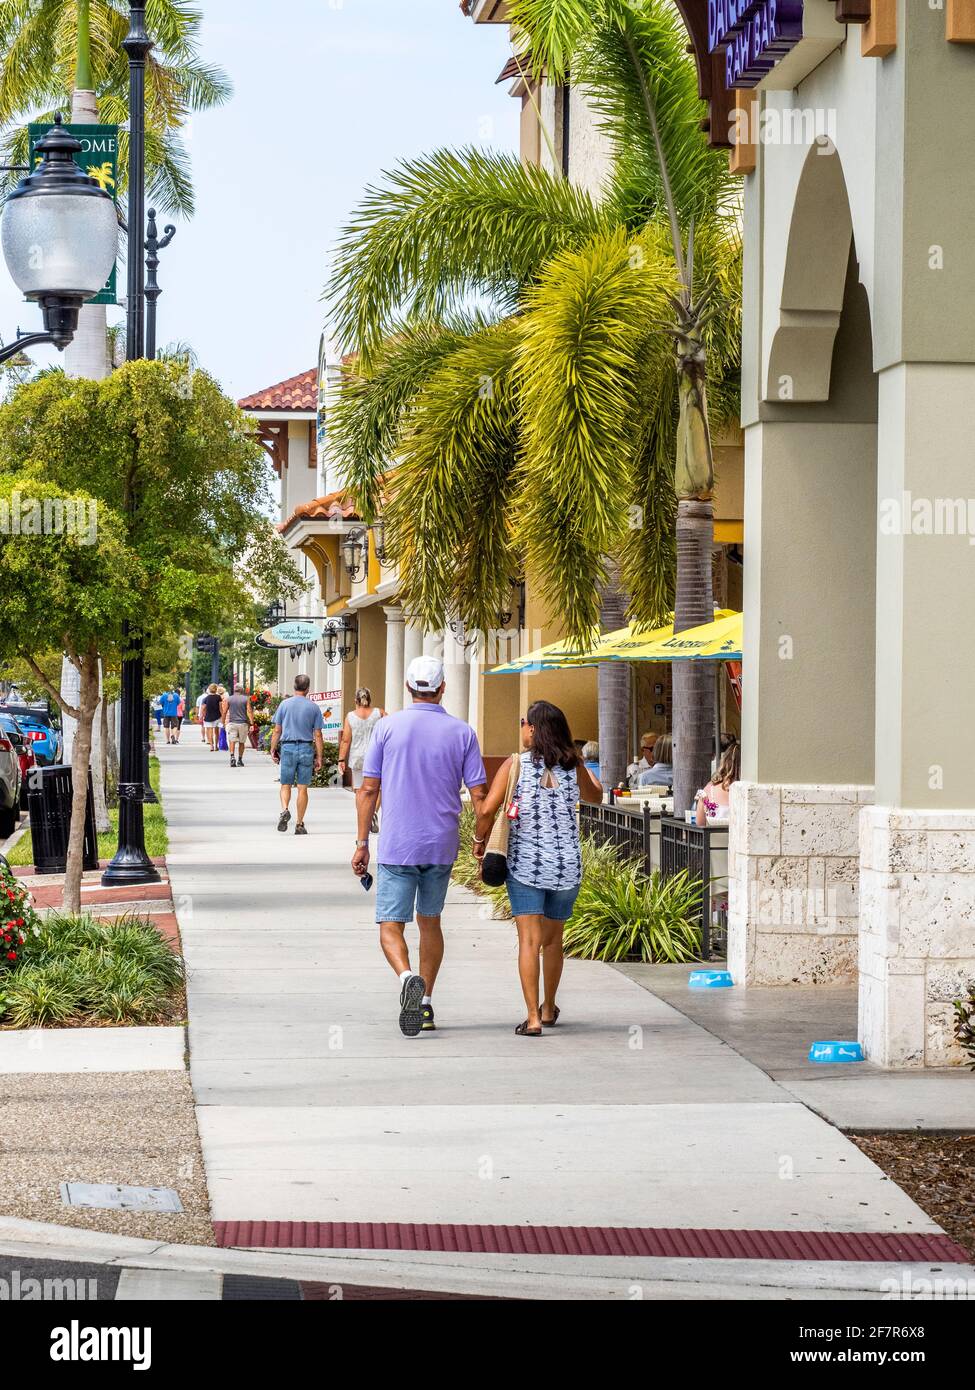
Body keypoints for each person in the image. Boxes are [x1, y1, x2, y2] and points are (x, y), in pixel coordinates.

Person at [352, 655, 487, 1038]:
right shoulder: (462, 732)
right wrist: (482, 842)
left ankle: (407, 977)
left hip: (398, 844)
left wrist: (362, 843)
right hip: (440, 843)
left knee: (390, 925)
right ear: (442, 688)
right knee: (430, 922)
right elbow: (480, 795)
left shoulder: (386, 728)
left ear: (409, 688)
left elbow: (368, 788)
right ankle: (424, 1002)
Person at [475, 701, 602, 1037]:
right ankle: (549, 1007)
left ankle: (532, 1018)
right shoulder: (573, 766)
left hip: (526, 867)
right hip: (565, 866)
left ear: (532, 728)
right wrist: (578, 765)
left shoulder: (515, 765)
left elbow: (487, 810)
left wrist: (478, 841)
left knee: (529, 942)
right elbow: (597, 797)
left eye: (523, 723)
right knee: (554, 941)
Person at [269, 674, 324, 835]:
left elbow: (277, 730)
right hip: (306, 748)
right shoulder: (313, 707)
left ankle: (285, 809)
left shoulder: (284, 705)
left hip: (288, 748)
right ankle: (299, 824)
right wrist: (319, 756)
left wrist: (273, 749)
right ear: (307, 689)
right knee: (302, 788)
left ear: (294, 687)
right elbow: (318, 734)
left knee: (285, 784)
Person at [338, 688, 386, 788]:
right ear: (370, 699)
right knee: (377, 788)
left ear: (356, 700)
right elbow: (390, 731)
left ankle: (360, 804)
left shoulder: (350, 716)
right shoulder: (380, 713)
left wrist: (341, 760)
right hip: (376, 756)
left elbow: (345, 740)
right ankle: (374, 805)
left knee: (358, 788)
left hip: (357, 758)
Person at [696, 736, 740, 825]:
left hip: (713, 839)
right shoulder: (747, 793)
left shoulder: (708, 791)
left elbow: (700, 825)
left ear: (725, 762)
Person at [222, 683, 254, 768]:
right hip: (243, 723)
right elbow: (249, 711)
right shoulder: (246, 699)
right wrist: (252, 723)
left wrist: (223, 722)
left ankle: (232, 757)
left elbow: (224, 711)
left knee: (232, 740)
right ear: (241, 690)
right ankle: (240, 760)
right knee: (242, 742)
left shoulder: (229, 699)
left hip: (232, 723)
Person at [201, 684, 223, 752]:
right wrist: (222, 717)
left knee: (210, 732)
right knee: (216, 732)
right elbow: (220, 708)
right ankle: (216, 746)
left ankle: (211, 746)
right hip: (217, 716)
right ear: (216, 689)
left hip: (208, 717)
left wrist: (203, 715)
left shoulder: (206, 698)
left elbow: (203, 708)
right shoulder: (218, 697)